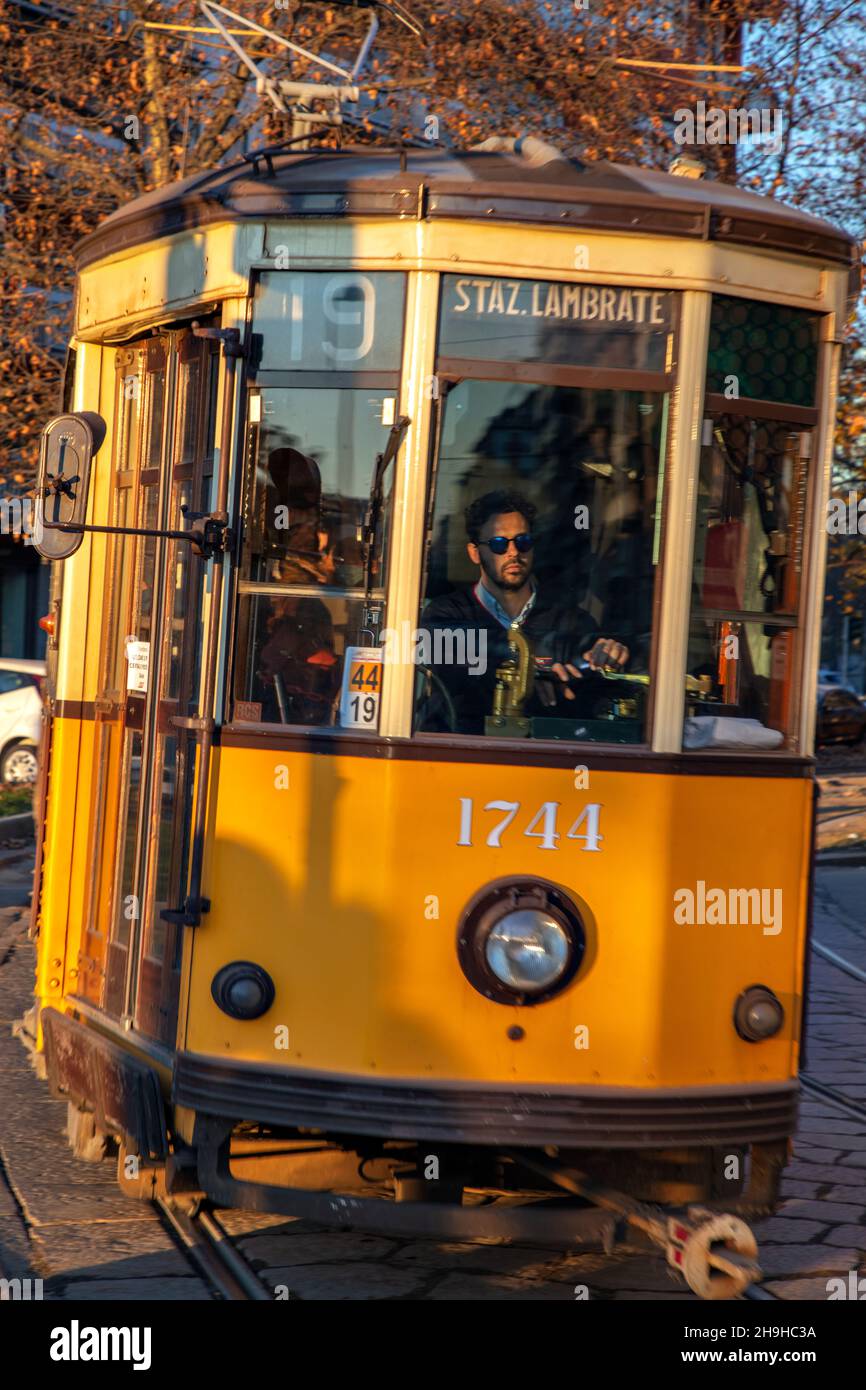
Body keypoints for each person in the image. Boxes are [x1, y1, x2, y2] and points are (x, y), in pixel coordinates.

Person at [419, 489, 629, 734]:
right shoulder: (446, 614)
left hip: (540, 762)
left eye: (523, 541)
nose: (514, 552)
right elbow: (457, 670)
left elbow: (593, 702)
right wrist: (535, 675)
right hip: (461, 760)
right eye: (499, 544)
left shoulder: (572, 623)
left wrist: (610, 656)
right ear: (474, 553)